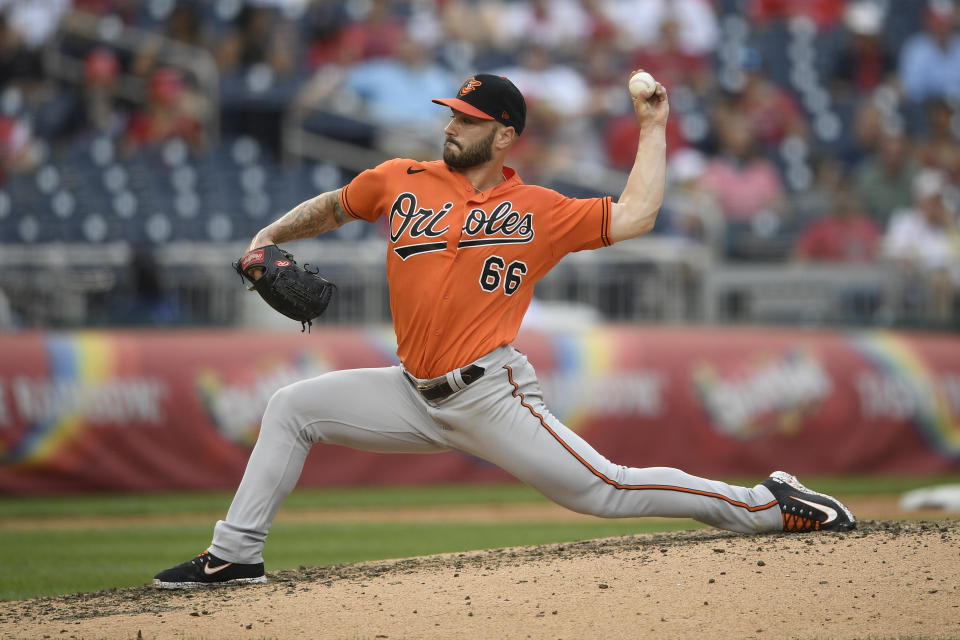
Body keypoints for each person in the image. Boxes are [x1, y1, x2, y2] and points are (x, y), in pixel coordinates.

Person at [153, 72, 855, 589]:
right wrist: (269, 233)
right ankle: (236, 553)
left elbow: (637, 214)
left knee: (607, 488)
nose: (452, 126)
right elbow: (336, 205)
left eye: (468, 118)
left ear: (505, 132)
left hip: (490, 394)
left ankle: (767, 503)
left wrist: (652, 126)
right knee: (291, 408)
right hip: (411, 391)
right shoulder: (402, 179)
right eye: (452, 114)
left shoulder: (538, 209)